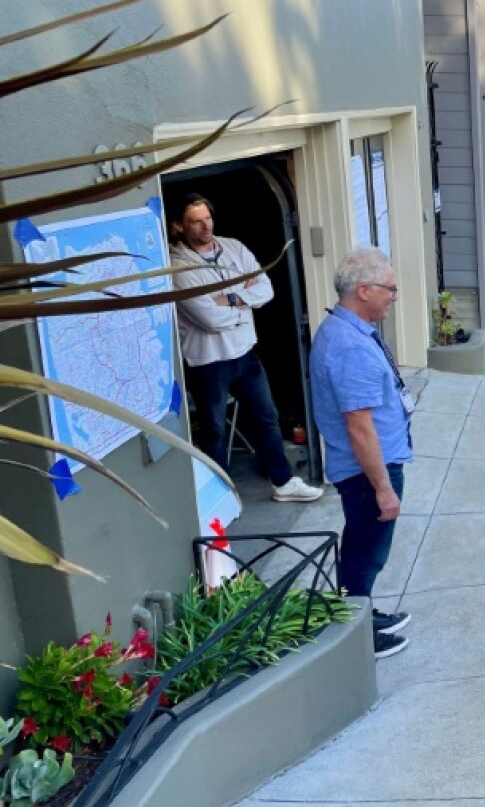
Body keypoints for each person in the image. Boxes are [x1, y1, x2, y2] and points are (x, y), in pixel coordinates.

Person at [170, 194, 323, 503]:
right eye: (196, 221)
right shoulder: (175, 266)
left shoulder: (234, 247)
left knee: (267, 417)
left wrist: (228, 298)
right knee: (214, 432)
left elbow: (266, 289)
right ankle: (220, 497)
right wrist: (244, 297)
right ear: (178, 227)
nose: (206, 226)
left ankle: (283, 482)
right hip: (209, 362)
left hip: (246, 353)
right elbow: (209, 319)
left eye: (208, 218)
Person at [309, 247, 414, 658]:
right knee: (364, 554)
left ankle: (362, 614)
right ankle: (357, 639)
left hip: (371, 468)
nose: (394, 295)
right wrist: (384, 489)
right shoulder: (349, 347)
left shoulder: (348, 331)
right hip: (368, 472)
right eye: (390, 288)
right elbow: (359, 427)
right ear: (364, 290)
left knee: (365, 548)